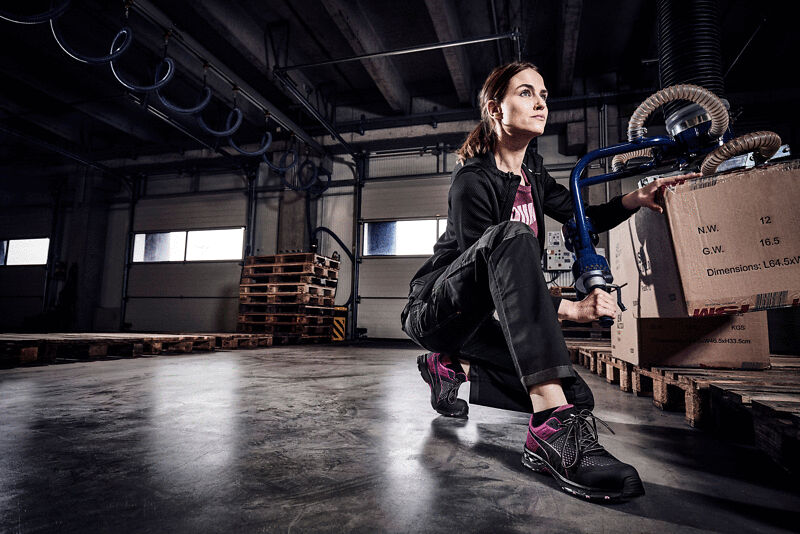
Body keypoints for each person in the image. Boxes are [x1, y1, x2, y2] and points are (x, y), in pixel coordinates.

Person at [401, 61, 684, 502]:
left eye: (544, 95)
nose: (541, 103)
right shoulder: (472, 180)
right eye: (527, 93)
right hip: (439, 311)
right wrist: (570, 308)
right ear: (496, 109)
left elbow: (580, 215)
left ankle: (453, 369)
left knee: (577, 396)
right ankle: (549, 431)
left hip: (477, 326)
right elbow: (493, 276)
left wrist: (636, 198)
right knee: (512, 236)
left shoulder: (532, 172)